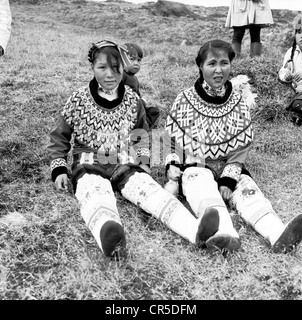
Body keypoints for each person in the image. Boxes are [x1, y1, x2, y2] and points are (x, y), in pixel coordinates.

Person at [47, 39, 216, 260]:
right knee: (94, 192)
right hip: (89, 162)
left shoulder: (132, 100)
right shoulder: (78, 100)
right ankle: (109, 235)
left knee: (150, 191)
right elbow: (59, 135)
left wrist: (144, 162)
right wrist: (59, 168)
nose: (109, 74)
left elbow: (141, 134)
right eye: (102, 68)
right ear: (92, 68)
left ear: (123, 68)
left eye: (116, 68)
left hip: (124, 161)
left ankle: (195, 231)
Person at [163, 39, 302, 253]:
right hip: (196, 166)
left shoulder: (238, 102)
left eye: (224, 63)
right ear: (200, 66)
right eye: (212, 64)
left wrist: (229, 178)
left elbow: (242, 146)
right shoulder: (184, 99)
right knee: (203, 191)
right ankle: (224, 234)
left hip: (229, 165)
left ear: (230, 65)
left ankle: (277, 234)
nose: (219, 70)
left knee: (250, 193)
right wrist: (172, 163)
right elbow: (170, 137)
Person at [123, 42, 160, 128]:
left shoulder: (134, 79)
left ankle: (143, 123)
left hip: (137, 108)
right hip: (126, 110)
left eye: (139, 60)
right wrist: (141, 102)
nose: (136, 63)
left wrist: (142, 101)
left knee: (154, 111)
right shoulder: (121, 76)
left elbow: (137, 94)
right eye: (132, 59)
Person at [278, 14, 302, 124]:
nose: (301, 36)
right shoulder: (291, 52)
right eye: (299, 32)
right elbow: (283, 70)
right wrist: (286, 76)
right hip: (299, 94)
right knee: (296, 104)